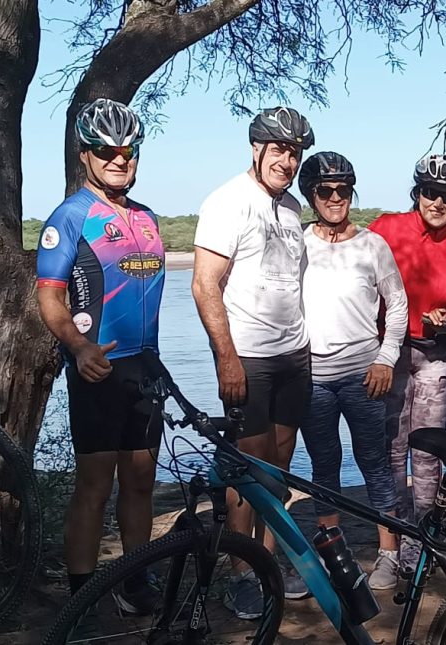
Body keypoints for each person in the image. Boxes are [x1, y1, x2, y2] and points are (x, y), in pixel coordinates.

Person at [36, 98, 165, 614]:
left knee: (140, 478)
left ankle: (136, 581)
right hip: (98, 365)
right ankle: (82, 595)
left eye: (128, 151)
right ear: (84, 154)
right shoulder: (71, 216)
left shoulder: (148, 218)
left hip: (146, 366)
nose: (119, 159)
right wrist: (79, 346)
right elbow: (49, 295)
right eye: (106, 151)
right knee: (94, 484)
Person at [191, 106, 314, 618]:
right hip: (250, 359)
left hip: (294, 355)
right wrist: (227, 359)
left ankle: (267, 559)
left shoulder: (291, 209)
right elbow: (204, 285)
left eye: (294, 152)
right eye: (278, 149)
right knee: (249, 472)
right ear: (256, 148)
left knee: (278, 470)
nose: (286, 160)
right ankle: (241, 573)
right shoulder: (227, 202)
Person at [295, 151, 409, 591]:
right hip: (314, 378)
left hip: (365, 373)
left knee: (374, 463)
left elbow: (396, 303)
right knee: (324, 464)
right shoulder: (299, 243)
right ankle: (334, 552)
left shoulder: (372, 245)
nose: (336, 197)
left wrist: (386, 357)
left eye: (344, 190)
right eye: (326, 191)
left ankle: (388, 554)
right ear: (312, 196)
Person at [367, 154, 446, 573]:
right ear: (417, 193)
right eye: (430, 193)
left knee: (428, 450)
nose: (438, 202)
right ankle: (391, 545)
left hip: (436, 354)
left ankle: (424, 541)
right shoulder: (386, 227)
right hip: (388, 353)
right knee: (392, 450)